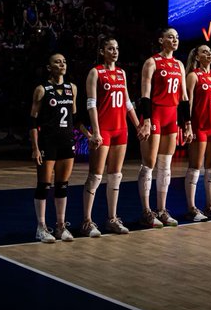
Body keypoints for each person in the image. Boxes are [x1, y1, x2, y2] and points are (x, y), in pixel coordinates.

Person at [82, 36, 142, 237]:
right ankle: (87, 221)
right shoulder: (95, 73)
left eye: (116, 48)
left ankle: (112, 219)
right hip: (104, 130)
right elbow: (91, 104)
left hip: (120, 130)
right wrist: (96, 132)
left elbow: (127, 103)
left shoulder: (121, 73)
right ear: (102, 51)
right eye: (110, 48)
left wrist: (138, 125)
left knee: (116, 176)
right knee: (96, 176)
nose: (115, 52)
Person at [136, 27, 191, 228]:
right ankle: (146, 211)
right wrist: (147, 120)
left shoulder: (178, 64)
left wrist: (187, 124)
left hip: (171, 117)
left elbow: (184, 98)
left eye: (177, 37)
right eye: (170, 36)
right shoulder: (152, 62)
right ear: (161, 40)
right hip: (155, 115)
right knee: (149, 164)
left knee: (166, 166)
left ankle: (161, 210)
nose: (175, 40)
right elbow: (145, 95)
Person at [29, 53, 79, 242]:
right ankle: (41, 227)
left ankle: (60, 226)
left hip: (67, 142)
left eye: (64, 61)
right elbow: (32, 121)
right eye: (57, 62)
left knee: (62, 185)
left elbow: (75, 116)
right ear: (49, 67)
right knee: (44, 185)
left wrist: (89, 135)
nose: (62, 64)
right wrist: (35, 147)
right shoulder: (42, 90)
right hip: (47, 143)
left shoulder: (72, 88)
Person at [184, 43, 211, 221]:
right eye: (204, 52)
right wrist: (188, 126)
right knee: (195, 167)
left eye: (210, 51)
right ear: (197, 57)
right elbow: (189, 104)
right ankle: (192, 207)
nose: (209, 54)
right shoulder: (193, 76)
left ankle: (210, 205)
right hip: (199, 127)